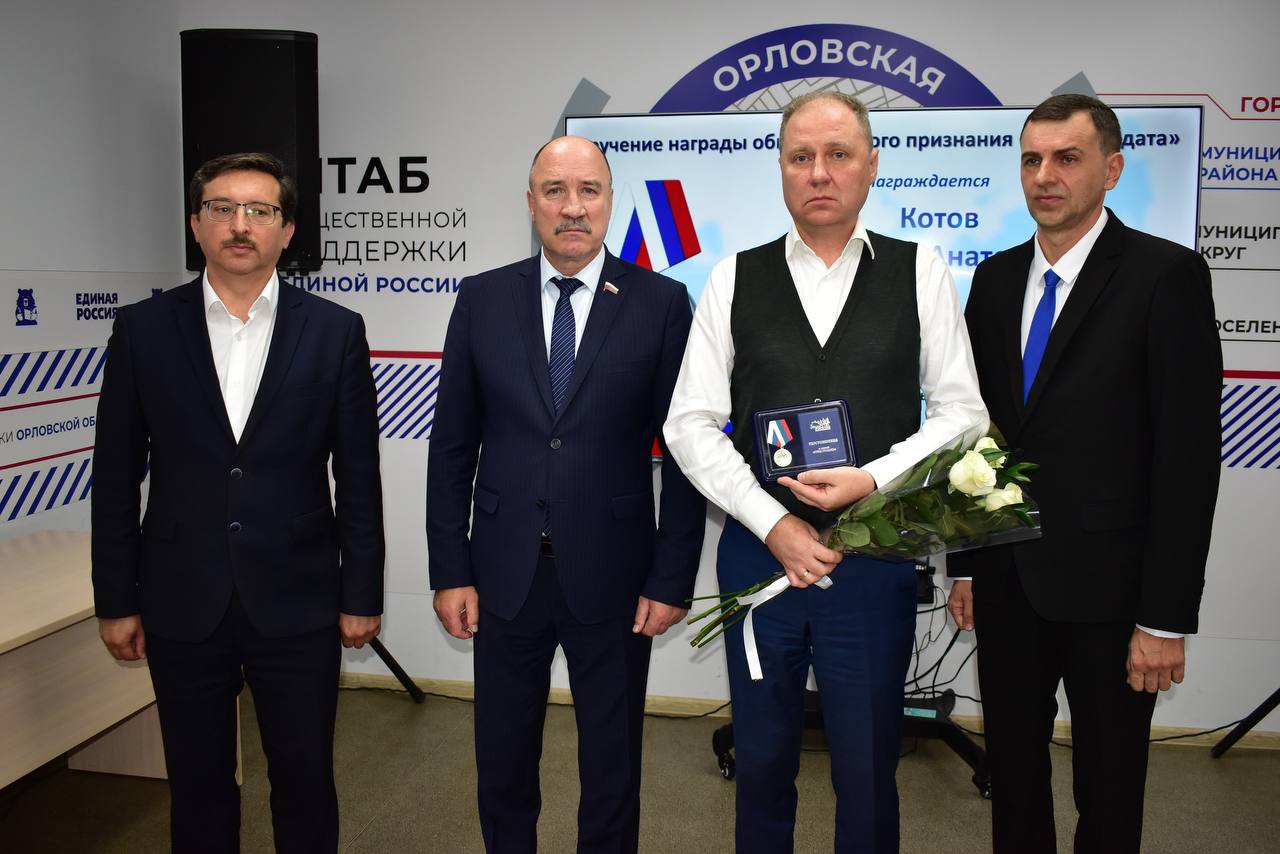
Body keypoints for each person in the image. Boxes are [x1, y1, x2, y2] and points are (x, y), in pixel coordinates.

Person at [664, 92, 988, 853]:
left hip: (872, 561)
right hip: (759, 558)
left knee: (869, 767)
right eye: (800, 157)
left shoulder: (920, 271)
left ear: (871, 166)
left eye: (838, 155)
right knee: (762, 758)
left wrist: (873, 478)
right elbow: (689, 422)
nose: (819, 173)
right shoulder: (732, 278)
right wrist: (772, 521)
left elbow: (962, 413)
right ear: (780, 168)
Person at [947, 94, 1222, 854]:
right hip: (1006, 579)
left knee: (1109, 785)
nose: (1045, 176)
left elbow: (1188, 459)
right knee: (1012, 775)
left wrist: (1165, 618)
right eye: (1032, 160)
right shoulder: (995, 279)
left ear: (1112, 169)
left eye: (1067, 158)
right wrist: (965, 561)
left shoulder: (1166, 276)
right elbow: (977, 436)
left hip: (1115, 593)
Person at [91, 152, 385, 853]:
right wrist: (116, 599)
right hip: (181, 599)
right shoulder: (143, 330)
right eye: (221, 209)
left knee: (304, 783)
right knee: (197, 789)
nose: (240, 225)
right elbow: (115, 475)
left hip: (299, 599)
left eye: (260, 210)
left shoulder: (335, 330)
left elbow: (358, 475)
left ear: (288, 230)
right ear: (196, 225)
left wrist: (361, 592)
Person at [426, 135, 706, 854]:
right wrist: (450, 569)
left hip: (617, 576)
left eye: (588, 191)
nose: (572, 207)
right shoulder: (482, 298)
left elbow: (685, 454)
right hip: (501, 573)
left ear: (610, 202)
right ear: (531, 203)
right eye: (554, 191)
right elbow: (452, 446)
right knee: (502, 758)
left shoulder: (661, 303)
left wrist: (671, 577)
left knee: (612, 765)